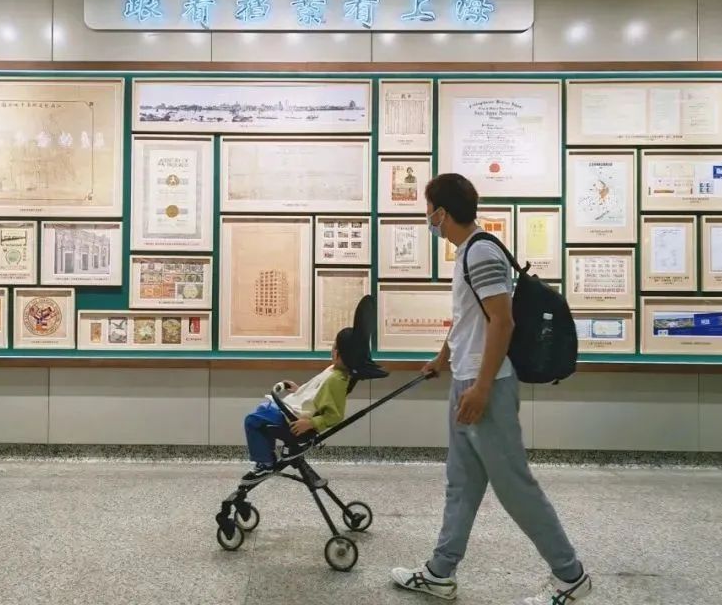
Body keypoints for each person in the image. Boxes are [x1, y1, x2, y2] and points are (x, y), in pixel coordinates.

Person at [390, 173, 591, 604]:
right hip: (468, 379)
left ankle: (570, 575)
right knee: (461, 484)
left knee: (515, 486)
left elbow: (503, 321)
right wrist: (443, 358)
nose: (428, 219)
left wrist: (481, 389)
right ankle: (440, 572)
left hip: (488, 386)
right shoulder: (469, 251)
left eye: (428, 210)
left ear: (442, 213)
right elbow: (470, 318)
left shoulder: (480, 252)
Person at [240, 327, 362, 484]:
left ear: (338, 353)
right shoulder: (334, 370)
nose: (332, 350)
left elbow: (335, 415)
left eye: (333, 346)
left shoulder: (337, 380)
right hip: (294, 412)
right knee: (263, 409)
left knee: (252, 421)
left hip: (296, 422)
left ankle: (265, 464)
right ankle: (268, 456)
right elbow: (316, 393)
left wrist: (310, 423)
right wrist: (300, 391)